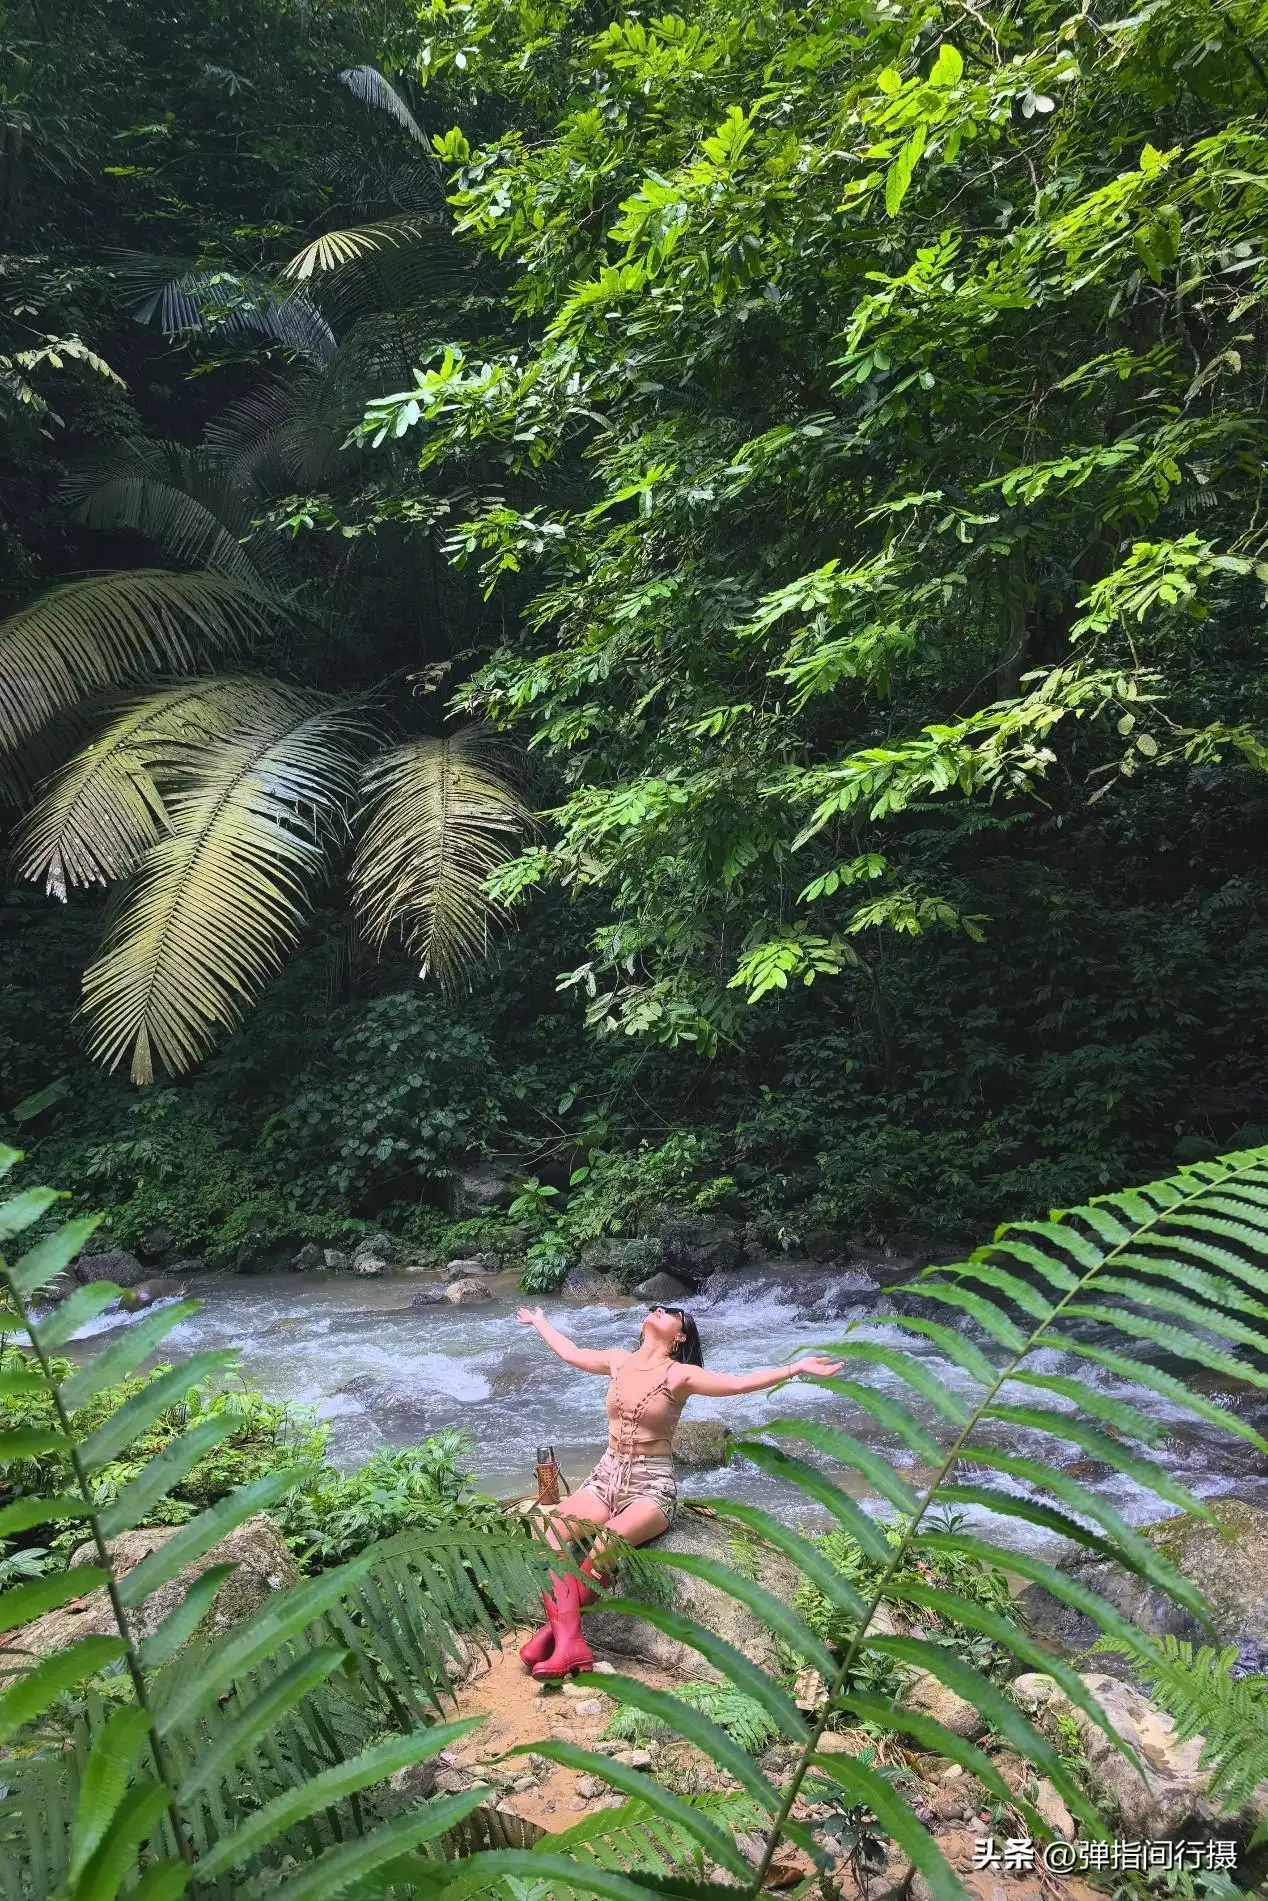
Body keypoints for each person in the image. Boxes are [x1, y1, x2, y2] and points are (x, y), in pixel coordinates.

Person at [514, 1301, 844, 1678]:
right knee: (552, 1530)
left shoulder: (680, 1375)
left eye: (669, 1311)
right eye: (654, 1307)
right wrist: (541, 1321)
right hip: (606, 1476)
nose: (657, 1309)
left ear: (680, 1335)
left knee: (606, 1545)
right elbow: (571, 1353)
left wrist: (796, 1368)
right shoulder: (618, 1360)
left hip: (650, 1486)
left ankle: (555, 1639)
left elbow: (737, 1384)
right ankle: (568, 1641)